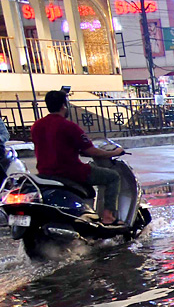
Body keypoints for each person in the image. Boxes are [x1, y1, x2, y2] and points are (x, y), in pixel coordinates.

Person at [31, 89, 125, 225]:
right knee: (113, 177)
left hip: (45, 172)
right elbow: (92, 151)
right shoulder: (69, 126)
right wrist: (115, 152)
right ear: (64, 105)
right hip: (70, 172)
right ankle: (108, 216)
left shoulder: (36, 126)